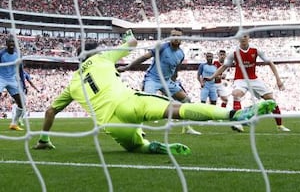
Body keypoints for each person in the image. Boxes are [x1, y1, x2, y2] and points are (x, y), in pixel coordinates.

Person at [33, 32, 276, 153]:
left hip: (112, 125)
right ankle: (233, 116)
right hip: (130, 102)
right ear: (95, 52)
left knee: (136, 148)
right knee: (175, 109)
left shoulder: (72, 82)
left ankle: (152, 146)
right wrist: (127, 33)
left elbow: (50, 110)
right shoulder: (102, 57)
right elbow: (132, 42)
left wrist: (43, 139)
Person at [118, 28, 201, 135]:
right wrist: (127, 67)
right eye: (173, 36)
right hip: (152, 79)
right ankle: (138, 129)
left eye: (178, 36)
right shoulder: (162, 47)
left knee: (186, 100)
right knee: (145, 102)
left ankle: (186, 128)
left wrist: (173, 80)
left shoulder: (181, 54)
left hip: (167, 81)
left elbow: (175, 68)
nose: (175, 38)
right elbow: (144, 57)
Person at [206, 33, 290, 132]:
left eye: (245, 36)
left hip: (253, 79)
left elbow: (270, 63)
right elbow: (224, 66)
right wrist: (212, 77)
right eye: (241, 37)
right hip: (240, 79)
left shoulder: (256, 50)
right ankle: (238, 123)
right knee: (236, 94)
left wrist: (278, 80)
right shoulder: (234, 53)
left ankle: (279, 125)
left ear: (248, 38)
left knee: (271, 100)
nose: (243, 38)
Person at [0, 36, 26, 131]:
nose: (11, 44)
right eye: (9, 42)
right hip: (1, 78)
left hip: (12, 80)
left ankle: (14, 124)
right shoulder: (1, 53)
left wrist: (23, 84)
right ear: (6, 44)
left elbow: (20, 70)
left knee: (21, 103)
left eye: (13, 42)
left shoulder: (18, 54)